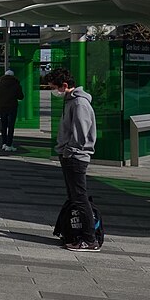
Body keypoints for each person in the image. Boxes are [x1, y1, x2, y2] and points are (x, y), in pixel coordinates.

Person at [43, 67, 99, 251]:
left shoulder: (79, 103)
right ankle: (78, 234)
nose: (53, 91)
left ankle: (90, 239)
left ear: (65, 85)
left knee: (80, 197)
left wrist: (69, 151)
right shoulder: (70, 101)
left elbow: (81, 133)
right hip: (70, 155)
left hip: (76, 156)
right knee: (75, 197)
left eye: (54, 87)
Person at [0, 70, 25, 152]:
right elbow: (21, 96)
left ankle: (4, 143)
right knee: (11, 126)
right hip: (12, 107)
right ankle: (9, 145)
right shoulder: (16, 84)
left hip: (2, 107)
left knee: (3, 126)